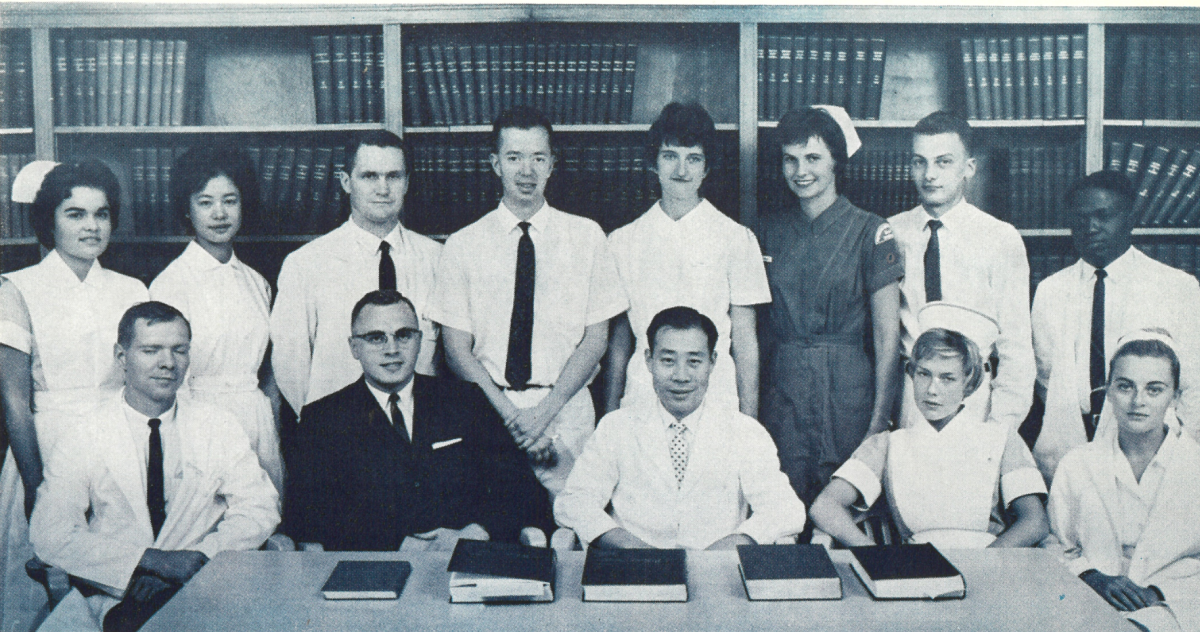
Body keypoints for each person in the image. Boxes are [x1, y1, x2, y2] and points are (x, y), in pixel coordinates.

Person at [29, 302, 279, 631]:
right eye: (151, 350)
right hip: (118, 592)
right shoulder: (83, 433)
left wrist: (196, 560)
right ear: (121, 357)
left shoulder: (218, 425)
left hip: (205, 585)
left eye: (179, 350)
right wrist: (152, 562)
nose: (167, 363)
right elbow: (51, 533)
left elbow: (259, 507)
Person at [431, 107, 628, 496]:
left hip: (566, 408)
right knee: (495, 534)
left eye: (538, 158)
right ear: (495, 163)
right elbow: (456, 349)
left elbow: (595, 340)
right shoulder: (463, 244)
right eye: (514, 157)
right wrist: (512, 417)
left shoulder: (587, 238)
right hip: (490, 410)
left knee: (573, 530)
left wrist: (545, 411)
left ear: (553, 164)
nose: (527, 170)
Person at [0, 160, 149, 632]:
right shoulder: (17, 288)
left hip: (114, 447)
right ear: (48, 221)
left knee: (115, 589)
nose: (91, 226)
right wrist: (37, 486)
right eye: (75, 214)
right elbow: (14, 404)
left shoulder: (131, 289)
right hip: (46, 448)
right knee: (46, 593)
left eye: (101, 214)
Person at [285, 290, 552, 552]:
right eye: (376, 338)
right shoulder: (322, 419)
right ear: (354, 347)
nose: (392, 349)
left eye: (404, 335)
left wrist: (476, 532)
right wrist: (399, 543)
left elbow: (522, 488)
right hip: (374, 569)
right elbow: (309, 515)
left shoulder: (465, 400)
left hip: (466, 561)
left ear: (420, 339)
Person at [555, 307, 806, 550]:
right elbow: (574, 502)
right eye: (668, 361)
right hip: (635, 570)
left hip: (718, 574)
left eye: (694, 361)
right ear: (649, 361)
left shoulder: (745, 432)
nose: (681, 376)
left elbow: (785, 510)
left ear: (712, 363)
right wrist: (628, 545)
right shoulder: (616, 428)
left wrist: (731, 546)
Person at [758, 106, 904, 506]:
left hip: (848, 392)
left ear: (836, 161)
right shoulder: (766, 231)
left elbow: (888, 337)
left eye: (813, 158)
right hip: (784, 389)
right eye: (791, 159)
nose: (800, 171)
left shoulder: (871, 230)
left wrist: (878, 420)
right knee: (784, 507)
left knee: (845, 509)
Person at [810, 305, 1049, 551]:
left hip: (991, 564)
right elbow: (824, 506)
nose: (932, 390)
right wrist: (877, 557)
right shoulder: (887, 444)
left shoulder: (1001, 438)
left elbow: (1035, 522)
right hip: (918, 569)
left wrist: (986, 562)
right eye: (924, 374)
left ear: (968, 383)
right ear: (912, 376)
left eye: (947, 378)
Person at [1031, 171, 1200, 483]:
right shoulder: (1050, 291)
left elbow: (1193, 386)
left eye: (1103, 216)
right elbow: (1046, 379)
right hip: (1070, 448)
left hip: (1153, 453)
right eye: (1080, 218)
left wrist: (1173, 457)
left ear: (1131, 218)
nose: (1091, 228)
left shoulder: (1176, 286)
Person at [605, 102, 770, 416]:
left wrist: (749, 422)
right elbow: (619, 342)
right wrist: (611, 414)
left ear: (706, 168)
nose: (681, 171)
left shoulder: (736, 238)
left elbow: (746, 341)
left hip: (715, 395)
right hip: (643, 393)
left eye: (693, 159)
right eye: (670, 157)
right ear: (653, 163)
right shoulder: (622, 242)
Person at [271, 130, 441, 417]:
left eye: (394, 176)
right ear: (346, 182)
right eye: (369, 176)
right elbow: (290, 364)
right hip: (339, 435)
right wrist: (324, 425)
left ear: (407, 183)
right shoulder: (306, 264)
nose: (383, 188)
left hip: (421, 427)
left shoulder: (437, 259)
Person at [149, 144, 283, 494]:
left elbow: (269, 369)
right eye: (205, 202)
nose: (219, 213)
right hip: (200, 421)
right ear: (187, 209)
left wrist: (269, 422)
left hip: (256, 419)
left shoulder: (257, 282)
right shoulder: (171, 283)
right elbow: (170, 376)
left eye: (230, 200)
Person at [890, 111, 1034, 430]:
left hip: (976, 398)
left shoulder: (1000, 238)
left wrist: (998, 427)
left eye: (943, 162)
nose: (929, 174)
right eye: (919, 162)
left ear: (968, 168)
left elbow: (1016, 348)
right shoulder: (891, 233)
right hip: (909, 395)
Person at [1047, 332, 1200, 632]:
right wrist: (1091, 577)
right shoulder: (1077, 463)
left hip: (1180, 606)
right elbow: (1053, 543)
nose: (1137, 401)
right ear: (1108, 391)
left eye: (1154, 390)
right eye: (1125, 386)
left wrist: (1159, 592)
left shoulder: (1194, 466)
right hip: (1088, 602)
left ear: (1175, 396)